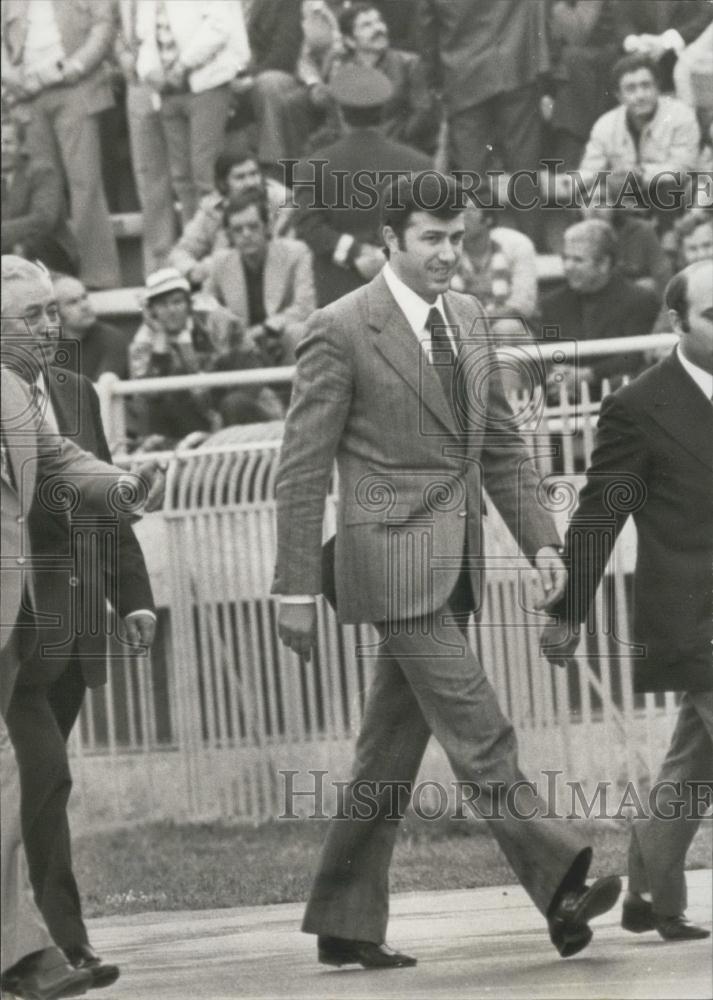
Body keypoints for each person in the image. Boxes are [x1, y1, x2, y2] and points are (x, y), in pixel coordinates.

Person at [272, 171, 622, 968]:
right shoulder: (338, 328)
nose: (445, 253)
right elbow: (300, 470)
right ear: (389, 240)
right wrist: (291, 588)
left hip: (455, 562)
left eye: (455, 238)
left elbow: (498, 446)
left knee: (385, 755)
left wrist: (543, 546)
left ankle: (343, 920)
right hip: (389, 567)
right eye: (429, 238)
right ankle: (561, 884)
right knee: (479, 730)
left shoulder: (466, 317)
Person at [0, 255, 164, 991]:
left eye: (51, 311)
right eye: (31, 315)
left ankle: (42, 951)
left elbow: (65, 460)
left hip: (36, 628)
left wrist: (127, 486)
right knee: (26, 777)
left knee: (28, 781)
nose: (50, 326)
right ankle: (33, 956)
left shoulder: (23, 394)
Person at [541, 260, 713, 942]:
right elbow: (598, 517)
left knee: (693, 763)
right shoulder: (638, 407)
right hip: (695, 618)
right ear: (676, 322)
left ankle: (648, 896)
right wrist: (567, 614)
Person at [0, 0, 120, 289]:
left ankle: (99, 276)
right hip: (27, 94)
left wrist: (76, 65)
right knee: (42, 186)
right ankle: (51, 274)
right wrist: (10, 76)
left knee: (85, 183)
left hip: (75, 86)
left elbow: (103, 25)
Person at [292, 64, 432, 306]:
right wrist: (386, 255)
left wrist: (356, 252)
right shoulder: (419, 165)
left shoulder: (311, 167)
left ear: (340, 112)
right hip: (404, 291)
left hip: (340, 293)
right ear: (384, 112)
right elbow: (426, 227)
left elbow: (308, 227)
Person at [129, 268, 283, 441]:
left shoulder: (217, 321)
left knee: (234, 403)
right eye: (163, 305)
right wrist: (160, 344)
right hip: (190, 418)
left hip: (234, 403)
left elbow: (252, 361)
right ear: (152, 311)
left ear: (188, 303)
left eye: (177, 302)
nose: (171, 310)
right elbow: (147, 398)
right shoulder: (143, 341)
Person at [134, 0, 250, 224]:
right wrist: (148, 71)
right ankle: (194, 237)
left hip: (207, 84)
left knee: (204, 172)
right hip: (168, 93)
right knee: (181, 177)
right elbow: (144, 39)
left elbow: (220, 27)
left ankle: (218, 236)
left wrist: (183, 65)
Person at [539, 219, 661, 395]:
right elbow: (548, 353)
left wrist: (588, 375)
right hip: (564, 396)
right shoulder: (551, 304)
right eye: (565, 258)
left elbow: (635, 357)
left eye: (578, 260)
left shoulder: (641, 300)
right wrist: (561, 376)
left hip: (620, 395)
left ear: (604, 263)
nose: (567, 266)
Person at [205, 188, 316, 368]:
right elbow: (205, 303)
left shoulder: (296, 252)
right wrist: (223, 318)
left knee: (297, 332)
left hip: (280, 338)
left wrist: (262, 330)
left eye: (253, 226)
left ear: (267, 226)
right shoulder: (221, 261)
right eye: (238, 230)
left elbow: (305, 307)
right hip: (240, 346)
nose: (246, 234)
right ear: (229, 235)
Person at [168, 149, 294, 286]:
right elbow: (181, 252)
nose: (250, 183)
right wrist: (193, 271)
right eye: (240, 177)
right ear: (223, 183)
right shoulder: (213, 208)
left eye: (254, 174)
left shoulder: (281, 201)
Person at [115, 0, 177, 277]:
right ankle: (160, 267)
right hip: (139, 83)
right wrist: (121, 53)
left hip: (183, 79)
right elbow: (116, 25)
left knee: (190, 176)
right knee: (149, 176)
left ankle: (196, 261)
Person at [332, 3, 438, 155]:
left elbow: (423, 113)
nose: (378, 28)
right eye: (366, 25)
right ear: (350, 41)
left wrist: (386, 145)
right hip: (356, 154)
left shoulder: (409, 64)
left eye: (379, 21)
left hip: (403, 152)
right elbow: (338, 122)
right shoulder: (343, 72)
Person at [579, 54, 701, 186]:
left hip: (671, 191)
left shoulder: (681, 115)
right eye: (630, 89)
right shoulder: (605, 125)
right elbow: (589, 170)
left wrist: (638, 174)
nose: (640, 95)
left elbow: (683, 168)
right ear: (619, 96)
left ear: (657, 87)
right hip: (622, 193)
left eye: (646, 85)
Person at [1, 113, 79, 276]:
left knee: (24, 247)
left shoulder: (42, 171)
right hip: (8, 248)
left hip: (47, 250)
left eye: (8, 143)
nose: (2, 150)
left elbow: (43, 219)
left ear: (22, 145)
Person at [451, 200, 539, 322]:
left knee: (506, 328)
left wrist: (479, 319)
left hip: (511, 324)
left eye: (470, 211)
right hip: (462, 324)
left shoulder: (515, 244)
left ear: (488, 219)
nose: (461, 218)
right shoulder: (448, 251)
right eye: (458, 212)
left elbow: (522, 306)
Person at [53, 274, 131, 381]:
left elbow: (105, 384)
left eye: (84, 297)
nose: (85, 306)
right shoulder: (49, 346)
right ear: (56, 312)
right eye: (73, 302)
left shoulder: (112, 338)